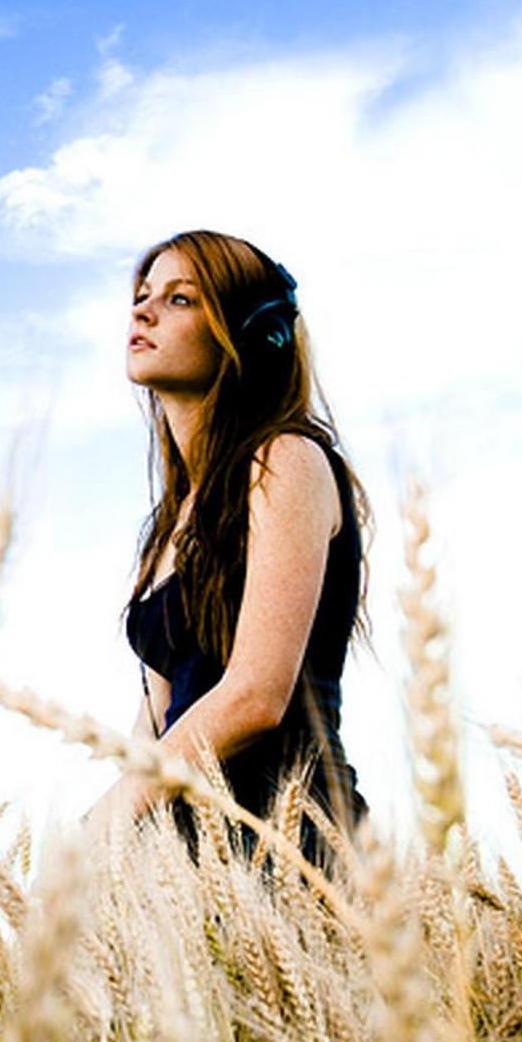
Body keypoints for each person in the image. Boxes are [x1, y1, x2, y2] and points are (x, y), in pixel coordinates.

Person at [87, 229, 369, 871]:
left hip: (290, 846)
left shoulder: (286, 460)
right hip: (191, 861)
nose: (143, 310)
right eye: (143, 294)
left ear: (248, 332)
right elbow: (158, 721)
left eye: (180, 299)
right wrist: (111, 850)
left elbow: (255, 696)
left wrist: (102, 823)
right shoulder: (168, 526)